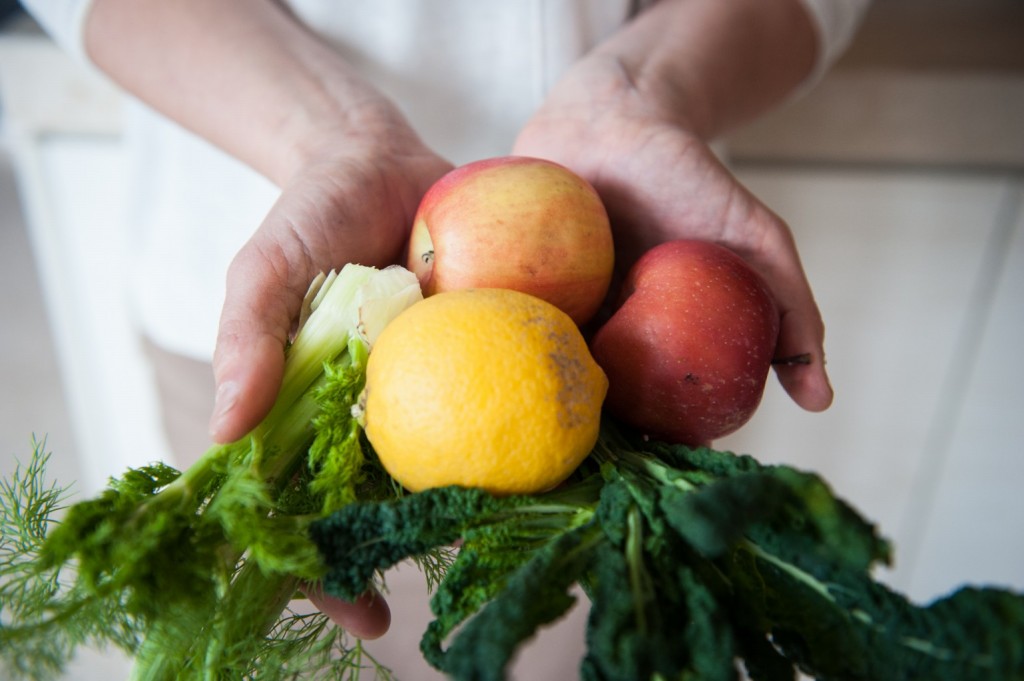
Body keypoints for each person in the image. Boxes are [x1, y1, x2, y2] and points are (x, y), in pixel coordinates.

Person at [22, 0, 870, 664]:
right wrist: (331, 137)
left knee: (557, 653)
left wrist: (644, 90)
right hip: (250, 306)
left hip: (617, 372)